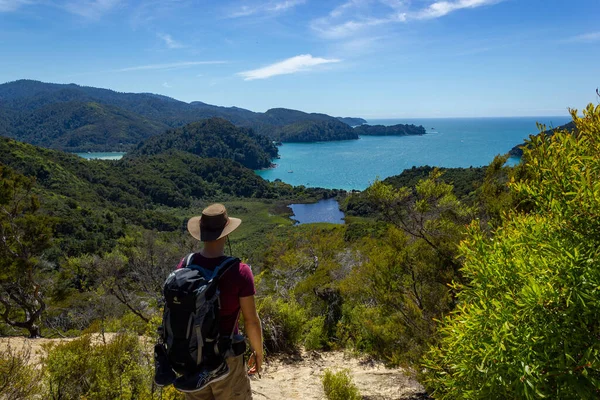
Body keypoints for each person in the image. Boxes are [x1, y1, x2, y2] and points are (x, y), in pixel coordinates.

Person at [177, 203, 263, 400]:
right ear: (226, 234)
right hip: (226, 358)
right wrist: (258, 353)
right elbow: (251, 321)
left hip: (192, 357)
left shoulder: (186, 264)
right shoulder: (240, 271)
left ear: (202, 233)